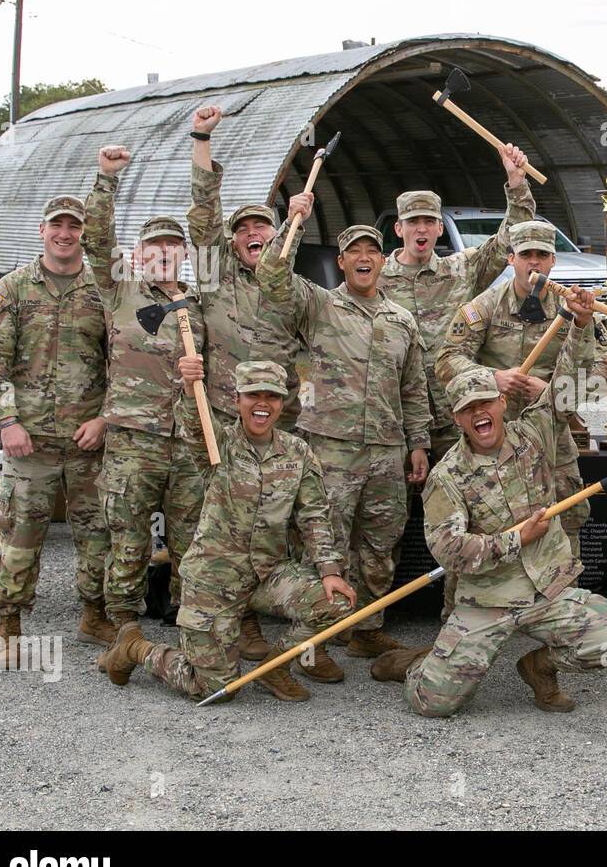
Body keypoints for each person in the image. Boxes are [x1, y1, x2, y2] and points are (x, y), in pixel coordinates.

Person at [373, 287, 607, 717]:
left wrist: (582, 325)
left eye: (485, 403)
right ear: (456, 418)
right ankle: (418, 664)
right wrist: (513, 541)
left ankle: (538, 667)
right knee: (432, 705)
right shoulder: (447, 477)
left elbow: (567, 389)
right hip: (486, 601)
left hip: (545, 591)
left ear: (502, 403)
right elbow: (448, 550)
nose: (478, 414)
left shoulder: (535, 434)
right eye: (467, 408)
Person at [100, 359, 358, 702]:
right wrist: (191, 386)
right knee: (214, 690)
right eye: (253, 395)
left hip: (267, 574)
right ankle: (136, 649)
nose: (263, 404)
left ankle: (274, 667)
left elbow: (313, 516)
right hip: (214, 580)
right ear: (237, 400)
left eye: (273, 396)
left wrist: (329, 570)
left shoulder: (298, 452)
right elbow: (193, 424)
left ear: (283, 403)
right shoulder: (217, 444)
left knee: (336, 603)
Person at [258, 216, 431, 658]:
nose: (364, 258)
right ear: (341, 262)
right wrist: (295, 221)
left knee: (380, 544)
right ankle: (319, 633)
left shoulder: (401, 321)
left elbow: (412, 388)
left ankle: (367, 627)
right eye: (354, 251)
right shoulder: (319, 306)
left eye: (372, 251)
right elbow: (273, 275)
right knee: (325, 540)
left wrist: (418, 445)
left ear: (382, 263)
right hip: (330, 449)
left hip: (387, 452)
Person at [187, 104, 314, 659]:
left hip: (278, 426)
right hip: (221, 425)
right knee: (219, 523)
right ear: (231, 241)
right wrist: (202, 139)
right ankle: (209, 612)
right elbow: (202, 210)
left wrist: (296, 216)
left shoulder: (288, 282)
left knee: (272, 523)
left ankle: (262, 614)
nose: (252, 234)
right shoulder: (215, 279)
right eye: (242, 230)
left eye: (262, 226)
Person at [0, 195, 111, 666]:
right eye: (58, 225)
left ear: (83, 233)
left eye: (74, 226)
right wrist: (7, 422)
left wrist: (105, 418)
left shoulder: (103, 291)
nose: (65, 234)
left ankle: (95, 614)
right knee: (20, 533)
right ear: (42, 230)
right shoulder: (12, 289)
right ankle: (8, 625)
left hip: (87, 440)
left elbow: (127, 361)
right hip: (28, 441)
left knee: (98, 534)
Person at [82, 145, 207, 646]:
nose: (163, 254)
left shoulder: (197, 304)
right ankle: (123, 622)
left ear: (184, 254)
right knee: (128, 536)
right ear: (137, 255)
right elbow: (95, 238)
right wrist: (107, 178)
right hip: (134, 439)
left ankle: (187, 617)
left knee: (190, 535)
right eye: (153, 247)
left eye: (173, 246)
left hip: (187, 440)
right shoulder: (121, 292)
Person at [436, 220, 607, 559]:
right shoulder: (484, 307)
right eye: (526, 255)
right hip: (490, 432)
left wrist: (552, 391)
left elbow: (603, 378)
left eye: (542, 255)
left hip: (550, 431)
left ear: (553, 261)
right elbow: (446, 361)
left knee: (567, 513)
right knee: (481, 519)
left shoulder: (575, 311)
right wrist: (492, 379)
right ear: (511, 259)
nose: (534, 262)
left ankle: (564, 598)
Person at [379, 143, 535, 458]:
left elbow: (511, 239)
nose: (420, 228)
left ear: (439, 228)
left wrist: (516, 182)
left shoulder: (462, 269)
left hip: (458, 413)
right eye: (412, 221)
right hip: (398, 419)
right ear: (399, 228)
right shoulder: (376, 279)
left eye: (428, 220)